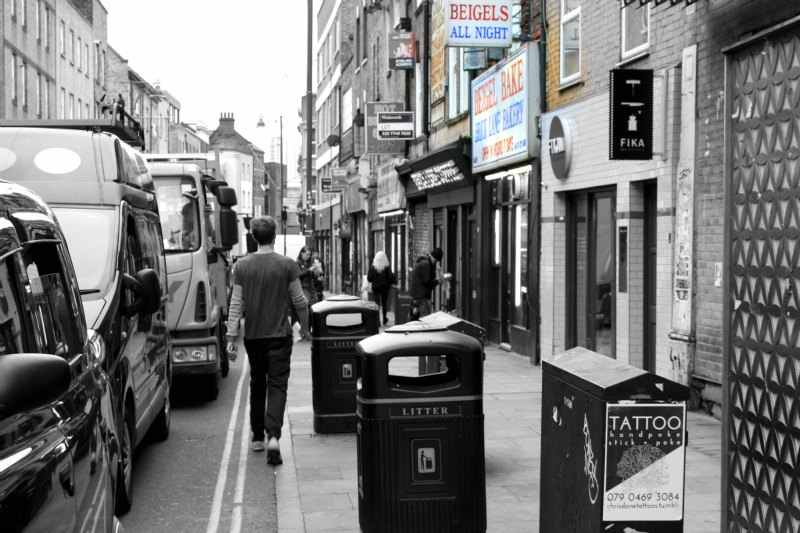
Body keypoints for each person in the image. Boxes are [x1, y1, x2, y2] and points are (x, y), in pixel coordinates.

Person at [226, 216, 309, 466]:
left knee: (257, 383)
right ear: (275, 236)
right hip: (280, 336)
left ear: (253, 236)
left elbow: (236, 304)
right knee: (277, 386)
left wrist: (231, 336)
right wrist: (305, 329)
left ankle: (258, 436)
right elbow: (300, 302)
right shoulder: (287, 266)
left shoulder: (241, 266)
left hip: (254, 337)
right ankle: (274, 436)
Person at [410, 247, 443, 319]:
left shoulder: (424, 262)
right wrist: (438, 281)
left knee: (416, 319)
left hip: (417, 296)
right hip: (421, 297)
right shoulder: (426, 264)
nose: (436, 263)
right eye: (436, 261)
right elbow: (427, 282)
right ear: (434, 258)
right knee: (425, 319)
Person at [367, 251, 396, 325]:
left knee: (377, 304)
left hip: (376, 288)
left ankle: (377, 320)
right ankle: (384, 319)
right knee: (384, 304)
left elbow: (369, 278)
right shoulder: (386, 267)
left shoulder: (373, 267)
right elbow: (390, 278)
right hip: (385, 288)